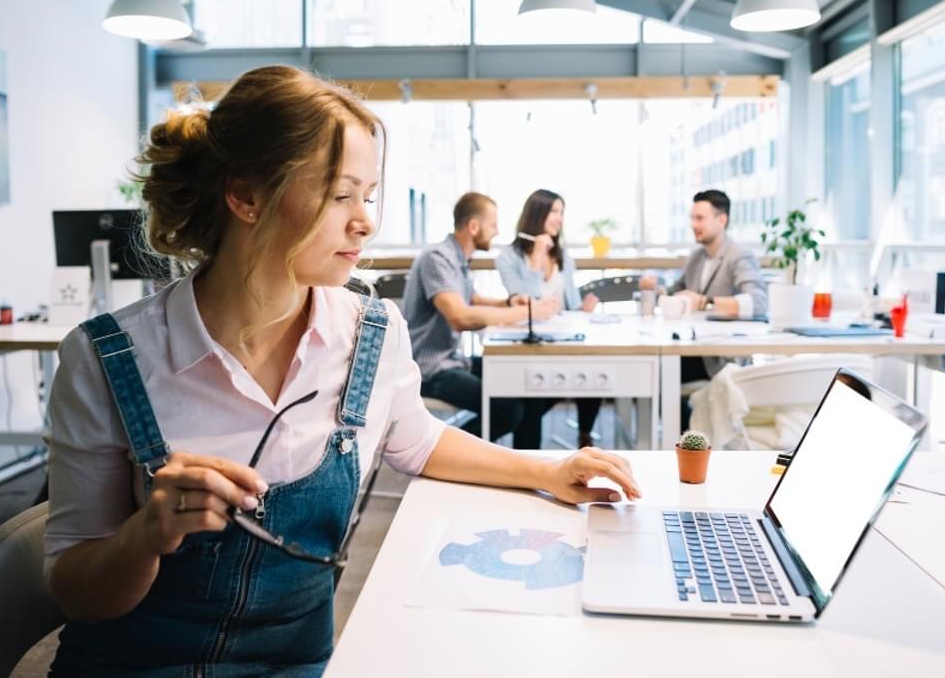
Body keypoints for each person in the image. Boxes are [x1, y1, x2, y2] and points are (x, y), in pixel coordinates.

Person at [43, 66, 640, 678]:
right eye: (339, 195)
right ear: (246, 196)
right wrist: (145, 535)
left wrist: (549, 469)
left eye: (369, 195)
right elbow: (76, 591)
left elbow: (419, 440)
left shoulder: (369, 333)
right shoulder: (105, 359)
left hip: (297, 665)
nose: (366, 222)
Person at [403, 192, 561, 449]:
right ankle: (440, 453)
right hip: (429, 369)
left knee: (530, 387)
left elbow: (473, 299)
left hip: (453, 360)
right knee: (507, 409)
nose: (497, 232)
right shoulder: (438, 258)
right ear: (473, 226)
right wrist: (528, 312)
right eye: (493, 225)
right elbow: (460, 316)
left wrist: (511, 302)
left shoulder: (457, 258)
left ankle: (529, 467)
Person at [640, 189, 767, 427]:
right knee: (646, 371)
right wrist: (657, 289)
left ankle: (687, 438)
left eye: (700, 218)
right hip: (694, 348)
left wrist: (707, 301)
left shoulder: (739, 256)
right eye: (692, 218)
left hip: (721, 358)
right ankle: (684, 435)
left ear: (722, 220)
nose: (693, 224)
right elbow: (676, 291)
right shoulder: (697, 256)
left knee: (655, 375)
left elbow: (758, 303)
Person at [496, 189, 603, 448]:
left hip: (561, 339)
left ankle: (584, 435)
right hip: (529, 343)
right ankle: (527, 457)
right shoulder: (508, 257)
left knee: (594, 365)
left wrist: (584, 309)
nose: (559, 218)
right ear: (537, 214)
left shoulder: (564, 257)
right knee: (533, 395)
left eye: (561, 212)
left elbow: (571, 305)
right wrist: (535, 259)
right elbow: (525, 304)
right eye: (554, 211)